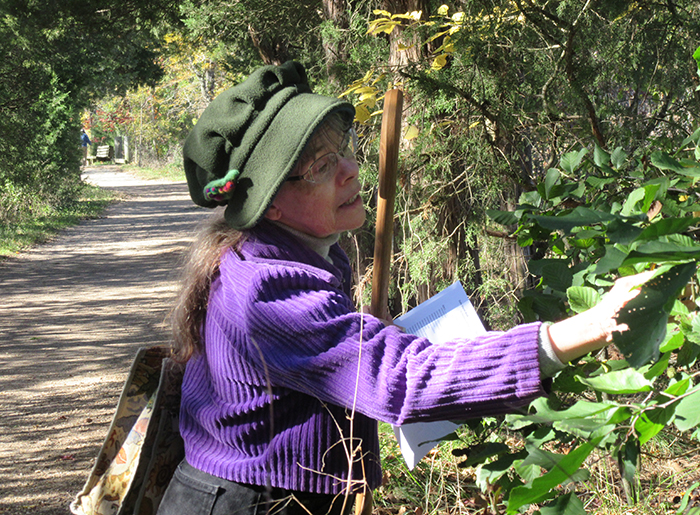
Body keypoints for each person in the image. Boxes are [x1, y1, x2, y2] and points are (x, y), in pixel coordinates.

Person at [157, 61, 651, 515]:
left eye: (343, 151)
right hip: (248, 504)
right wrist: (577, 331)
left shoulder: (307, 249)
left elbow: (335, 357)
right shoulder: (266, 287)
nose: (351, 169)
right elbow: (402, 379)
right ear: (270, 204)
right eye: (320, 167)